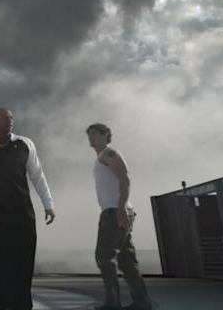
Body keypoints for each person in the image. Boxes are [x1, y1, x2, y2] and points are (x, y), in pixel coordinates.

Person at [0, 107, 56, 310]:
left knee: (25, 260)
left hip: (23, 212)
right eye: (5, 118)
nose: (10, 122)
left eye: (12, 118)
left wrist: (48, 204)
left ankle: (23, 306)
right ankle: (0, 306)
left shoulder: (25, 144)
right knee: (1, 261)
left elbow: (37, 175)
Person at [87, 123, 152, 310]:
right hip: (116, 210)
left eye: (96, 134)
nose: (91, 137)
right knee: (126, 261)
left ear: (106, 136)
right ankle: (142, 302)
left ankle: (112, 303)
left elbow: (125, 177)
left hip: (114, 211)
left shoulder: (109, 154)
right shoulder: (102, 156)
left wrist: (121, 207)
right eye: (90, 134)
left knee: (104, 257)